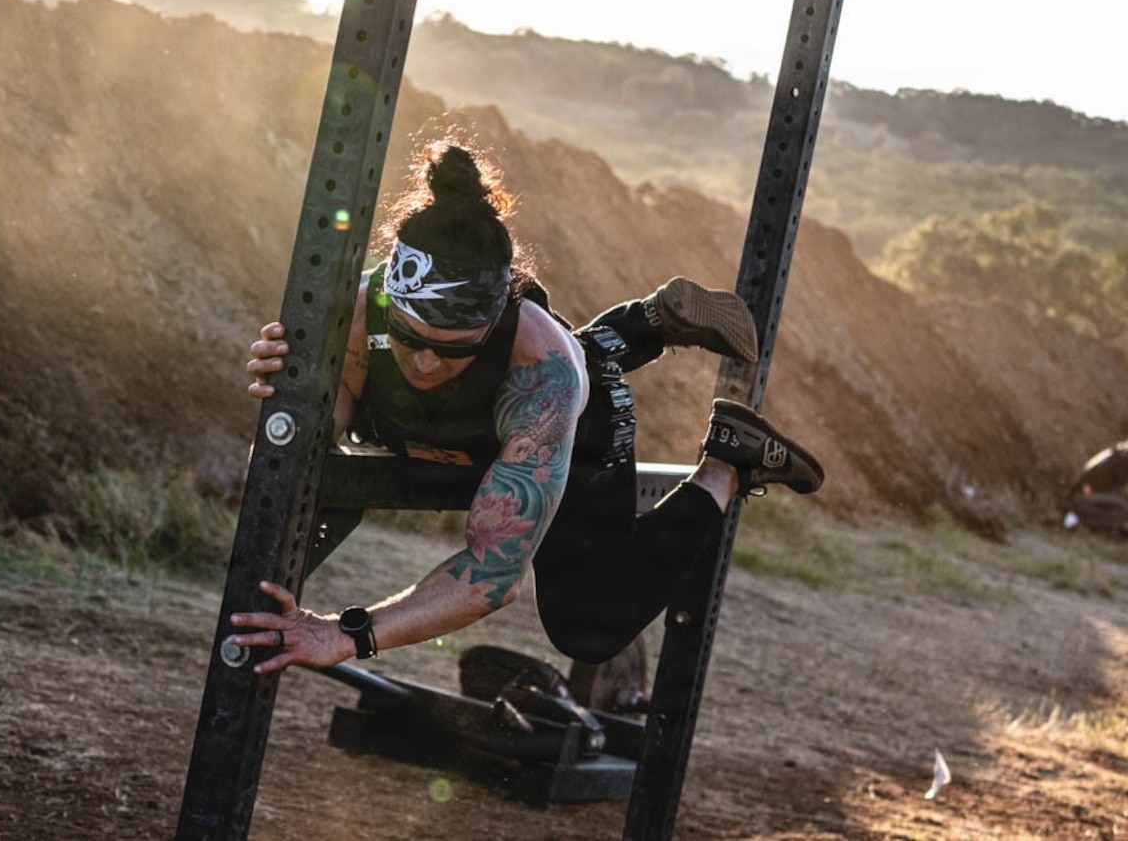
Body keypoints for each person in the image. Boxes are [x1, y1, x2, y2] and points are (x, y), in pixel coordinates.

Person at [230, 139, 823, 671]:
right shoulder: (351, 315)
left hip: (572, 425)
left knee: (588, 624)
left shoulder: (545, 377)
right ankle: (649, 321)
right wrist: (289, 403)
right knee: (503, 380)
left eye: (452, 349)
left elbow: (492, 575)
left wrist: (346, 634)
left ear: (494, 324)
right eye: (411, 340)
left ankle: (729, 460)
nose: (427, 362)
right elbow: (300, 458)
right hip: (459, 425)